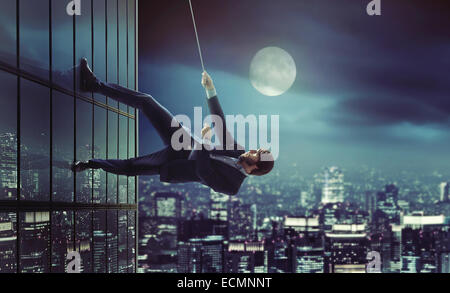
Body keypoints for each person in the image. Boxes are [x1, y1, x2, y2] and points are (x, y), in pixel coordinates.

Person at [72, 58, 274, 195]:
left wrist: (204, 141)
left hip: (175, 164)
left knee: (131, 166)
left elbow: (204, 172)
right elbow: (220, 122)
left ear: (257, 166)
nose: (252, 150)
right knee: (148, 102)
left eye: (257, 153)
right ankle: (94, 85)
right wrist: (211, 90)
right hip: (184, 141)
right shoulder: (237, 151)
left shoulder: (233, 186)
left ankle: (90, 163)